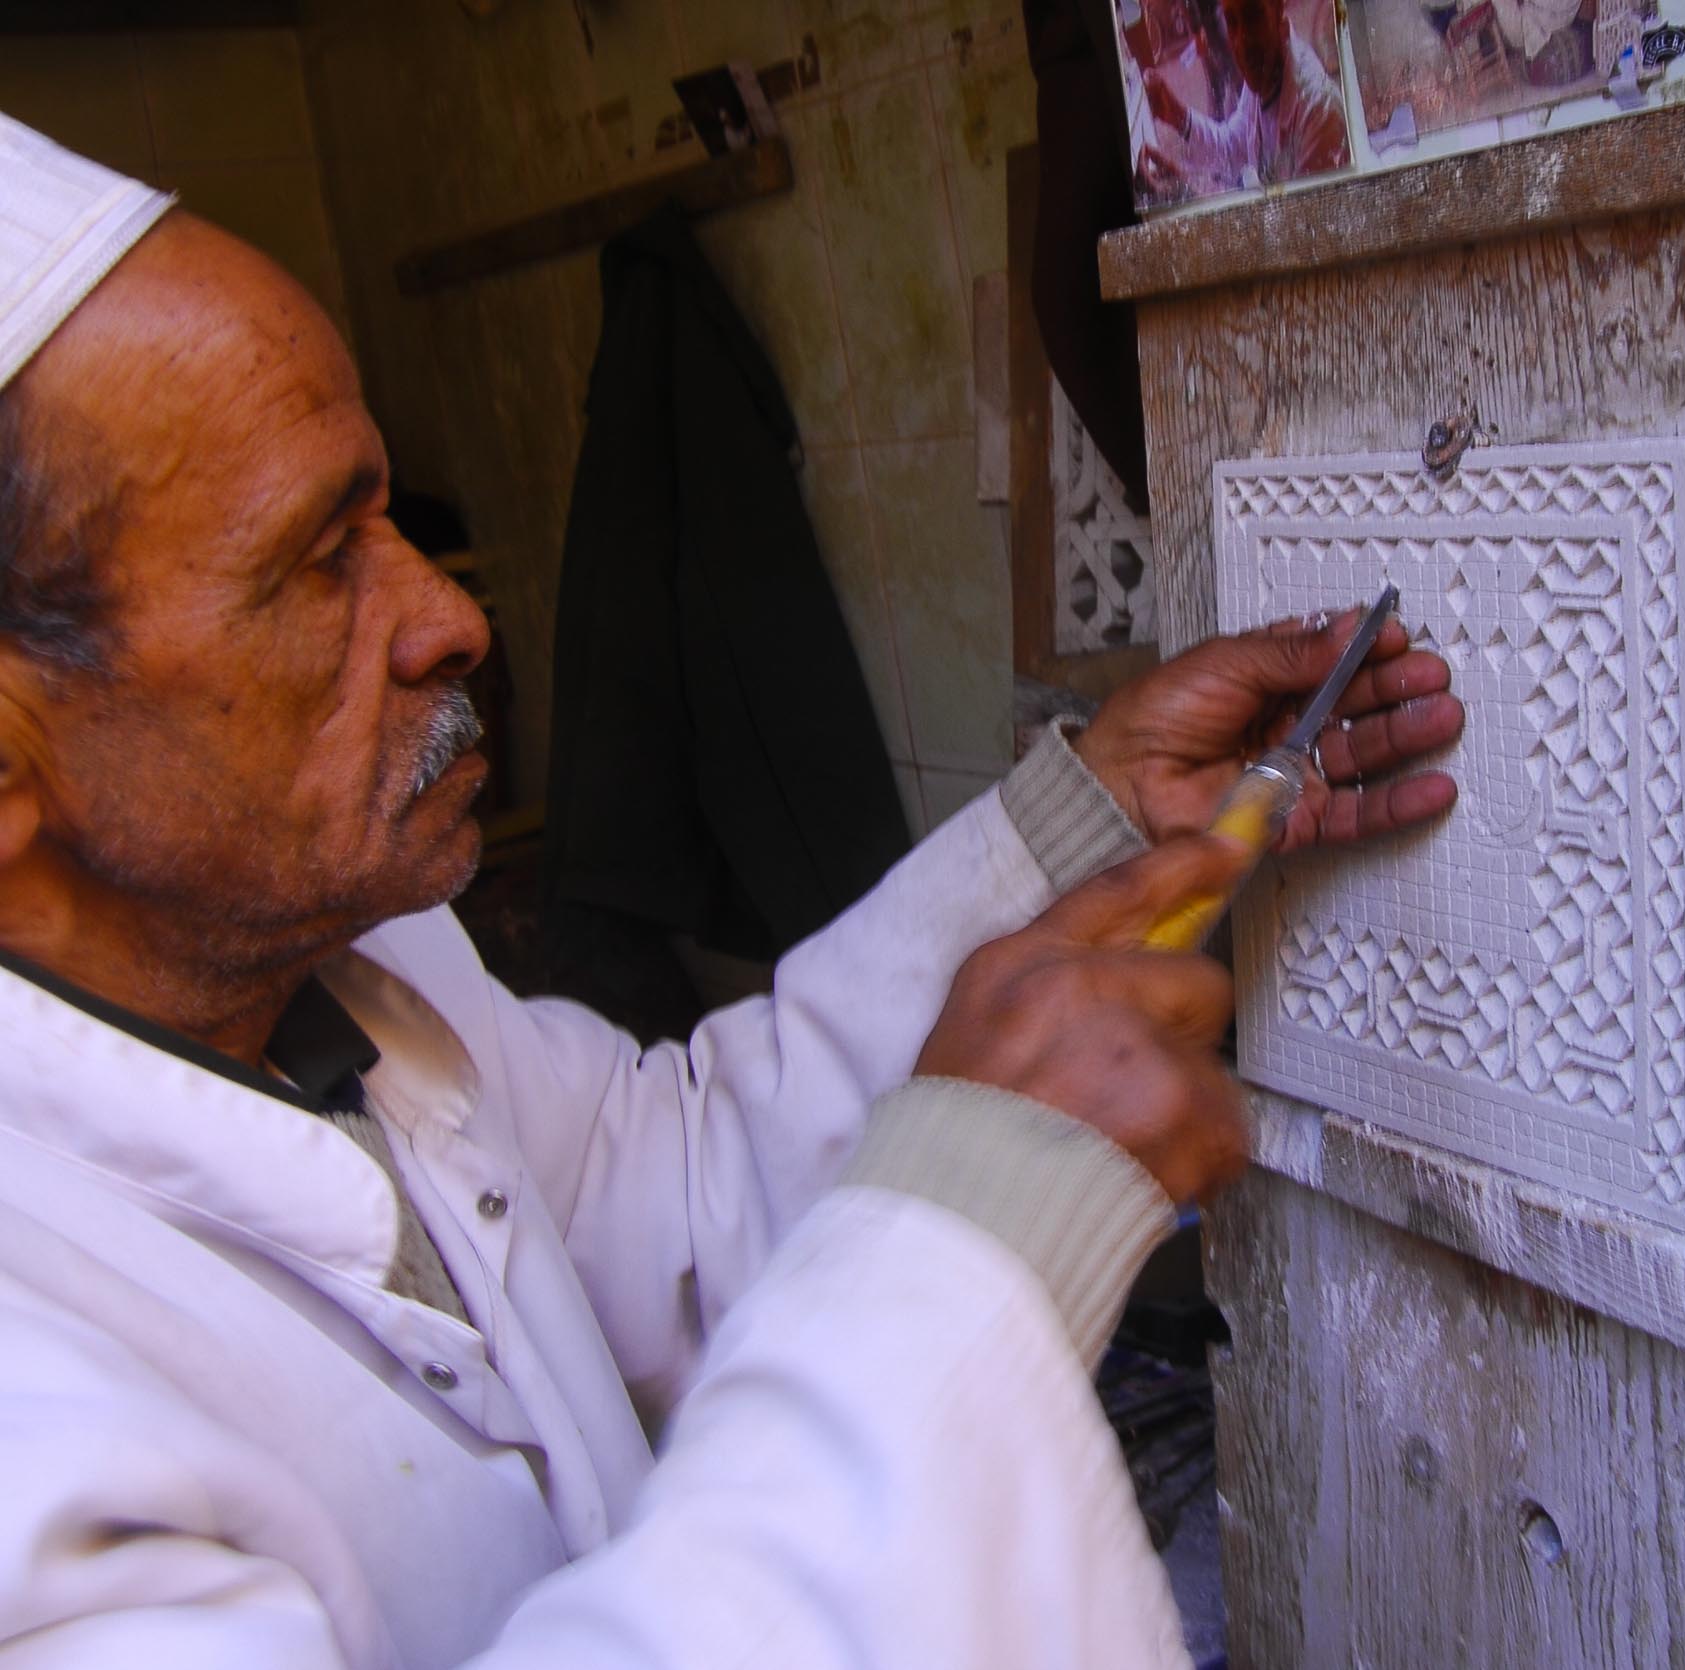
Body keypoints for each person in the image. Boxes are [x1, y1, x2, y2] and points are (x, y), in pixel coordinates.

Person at [0, 117, 1462, 1667]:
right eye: (311, 564)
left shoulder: (357, 975)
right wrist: (967, 1256)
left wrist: (1085, 814)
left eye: (385, 521)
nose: (448, 621)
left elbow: (677, 1192)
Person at [1141, 0, 1349, 194]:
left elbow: (1291, 226)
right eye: (1231, 22)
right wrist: (1175, 113)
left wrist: (1189, 194)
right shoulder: (1264, 75)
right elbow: (1233, 148)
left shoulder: (1319, 113)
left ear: (1278, 8)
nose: (1242, 43)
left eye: (1253, 17)